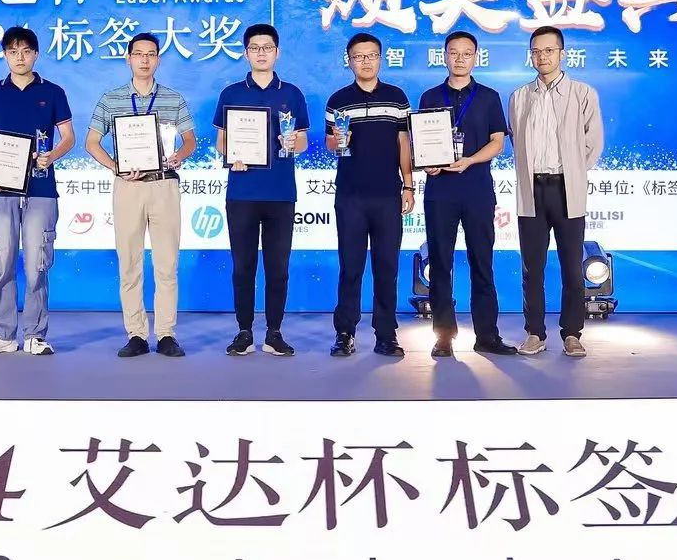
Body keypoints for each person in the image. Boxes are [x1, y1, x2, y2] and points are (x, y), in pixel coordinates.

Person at [85, 32, 197, 358]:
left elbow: (190, 140)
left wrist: (179, 155)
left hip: (164, 185)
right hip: (128, 187)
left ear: (158, 59)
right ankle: (136, 334)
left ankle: (166, 334)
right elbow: (91, 142)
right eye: (138, 54)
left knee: (166, 264)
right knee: (129, 264)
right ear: (128, 58)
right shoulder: (111, 99)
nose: (144, 60)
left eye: (150, 54)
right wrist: (115, 166)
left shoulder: (173, 99)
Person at [0, 27, 75, 356]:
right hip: (0, 190)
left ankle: (35, 334)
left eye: (26, 51)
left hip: (41, 187)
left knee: (37, 263)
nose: (20, 57)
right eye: (13, 51)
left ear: (36, 54)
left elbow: (69, 138)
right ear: (4, 55)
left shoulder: (53, 92)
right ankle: (2, 334)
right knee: (1, 262)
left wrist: (51, 156)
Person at [213, 23, 309, 357]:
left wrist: (291, 142)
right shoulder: (231, 93)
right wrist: (232, 156)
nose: (261, 53)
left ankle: (274, 333)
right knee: (243, 267)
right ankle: (244, 332)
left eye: (267, 47)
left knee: (278, 268)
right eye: (254, 48)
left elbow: (303, 141)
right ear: (246, 53)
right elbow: (222, 141)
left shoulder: (292, 93)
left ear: (277, 52)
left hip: (281, 193)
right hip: (242, 193)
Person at [418, 30, 516, 359]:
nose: (459, 59)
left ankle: (487, 335)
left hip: (477, 189)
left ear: (476, 57)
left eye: (466, 53)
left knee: (482, 263)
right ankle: (443, 336)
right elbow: (423, 143)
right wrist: (429, 164)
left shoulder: (488, 97)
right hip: (440, 191)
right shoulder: (430, 97)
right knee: (440, 264)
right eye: (454, 52)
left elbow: (498, 142)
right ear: (444, 56)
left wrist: (470, 160)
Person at [510, 26, 603, 359]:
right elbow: (516, 142)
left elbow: (593, 143)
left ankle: (572, 333)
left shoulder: (583, 93)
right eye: (536, 51)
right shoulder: (519, 97)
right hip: (532, 189)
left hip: (567, 188)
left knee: (572, 267)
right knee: (532, 267)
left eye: (548, 50)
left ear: (562, 54)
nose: (542, 57)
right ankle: (534, 332)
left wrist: (573, 171)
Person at [325, 32, 413, 357]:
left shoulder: (396, 98)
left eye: (372, 55)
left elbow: (404, 143)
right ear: (348, 61)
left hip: (388, 195)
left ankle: (386, 334)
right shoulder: (338, 100)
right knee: (350, 267)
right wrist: (339, 140)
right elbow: (331, 144)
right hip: (350, 196)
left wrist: (408, 184)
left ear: (381, 58)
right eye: (359, 56)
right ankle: (345, 332)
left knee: (387, 267)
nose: (365, 61)